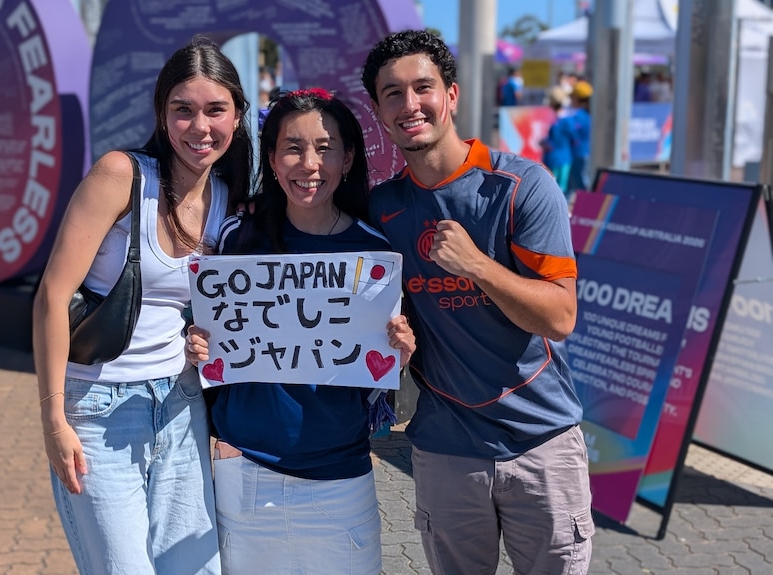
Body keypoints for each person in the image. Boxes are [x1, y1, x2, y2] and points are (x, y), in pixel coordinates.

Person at [361, 30, 593, 575]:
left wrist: (477, 265)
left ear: (452, 96)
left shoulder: (521, 185)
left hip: (542, 443)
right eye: (392, 93)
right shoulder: (383, 206)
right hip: (444, 449)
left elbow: (561, 317)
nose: (409, 104)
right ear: (377, 110)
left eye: (423, 87)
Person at [32, 35, 253, 575]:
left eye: (215, 110)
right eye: (183, 110)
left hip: (181, 402)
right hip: (99, 410)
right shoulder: (121, 175)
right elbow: (53, 296)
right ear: (162, 114)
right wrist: (53, 419)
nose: (200, 127)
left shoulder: (231, 194)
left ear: (238, 115)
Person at [185, 88, 416, 575]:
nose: (309, 163)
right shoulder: (236, 238)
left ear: (349, 157)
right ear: (271, 158)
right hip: (243, 476)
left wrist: (401, 351)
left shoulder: (374, 254)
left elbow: (376, 380)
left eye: (326, 147)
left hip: (340, 480)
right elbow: (213, 338)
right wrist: (197, 343)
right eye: (292, 147)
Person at [541, 86, 573, 196]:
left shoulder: (557, 120)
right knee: (561, 189)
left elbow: (553, 141)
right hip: (564, 158)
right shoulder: (567, 119)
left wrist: (545, 143)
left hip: (554, 158)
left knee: (553, 189)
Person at [566, 80, 593, 194]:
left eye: (573, 97)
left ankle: (589, 207)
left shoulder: (578, 116)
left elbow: (570, 133)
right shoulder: (588, 114)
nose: (571, 100)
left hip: (579, 154)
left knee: (581, 184)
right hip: (584, 153)